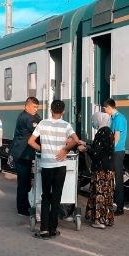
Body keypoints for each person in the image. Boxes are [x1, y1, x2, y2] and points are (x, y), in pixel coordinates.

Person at [27, 100, 78, 239]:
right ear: (63, 111)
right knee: (56, 198)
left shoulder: (42, 123)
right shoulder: (66, 125)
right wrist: (65, 150)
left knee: (45, 197)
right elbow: (76, 140)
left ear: (50, 110)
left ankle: (44, 230)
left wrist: (42, 150)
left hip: (47, 166)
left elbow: (30, 141)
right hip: (61, 166)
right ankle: (53, 229)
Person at [9, 97, 41, 216]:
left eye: (37, 107)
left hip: (24, 153)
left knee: (26, 181)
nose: (35, 109)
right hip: (22, 154)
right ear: (26, 106)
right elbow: (40, 130)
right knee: (23, 182)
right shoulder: (27, 118)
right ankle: (22, 209)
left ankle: (25, 205)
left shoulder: (30, 116)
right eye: (34, 107)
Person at [84, 125, 115, 229]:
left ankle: (98, 220)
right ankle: (107, 219)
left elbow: (96, 153)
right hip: (109, 169)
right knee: (108, 194)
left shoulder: (101, 132)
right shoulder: (110, 132)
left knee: (99, 193)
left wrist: (86, 149)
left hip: (100, 170)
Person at [103, 98, 128, 215]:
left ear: (109, 107)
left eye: (104, 109)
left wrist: (110, 151)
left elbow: (116, 138)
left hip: (117, 152)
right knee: (115, 178)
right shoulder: (115, 118)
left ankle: (120, 207)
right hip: (116, 151)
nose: (104, 111)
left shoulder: (118, 119)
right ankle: (116, 204)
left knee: (117, 179)